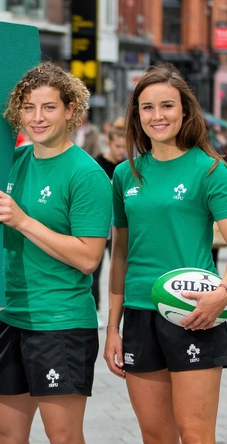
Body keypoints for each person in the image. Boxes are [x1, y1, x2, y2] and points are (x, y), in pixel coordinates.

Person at [104, 63, 227, 443]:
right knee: (155, 435)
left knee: (195, 433)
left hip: (194, 312)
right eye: (148, 107)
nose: (158, 115)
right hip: (139, 315)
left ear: (184, 110)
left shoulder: (210, 170)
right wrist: (112, 327)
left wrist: (222, 295)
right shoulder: (125, 175)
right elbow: (119, 254)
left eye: (167, 105)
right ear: (137, 116)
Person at [0, 62, 112, 444]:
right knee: (5, 435)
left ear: (71, 111)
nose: (37, 118)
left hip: (60, 323)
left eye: (48, 107)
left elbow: (88, 258)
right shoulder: (13, 163)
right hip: (7, 317)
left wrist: (22, 221)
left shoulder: (86, 175)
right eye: (29, 107)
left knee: (63, 438)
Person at [92, 126, 128, 326]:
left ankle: (121, 312)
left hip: (121, 225)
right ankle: (95, 309)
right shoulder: (97, 164)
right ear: (109, 143)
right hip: (102, 223)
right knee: (95, 270)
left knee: (122, 267)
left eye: (124, 147)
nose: (121, 151)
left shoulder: (127, 167)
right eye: (117, 146)